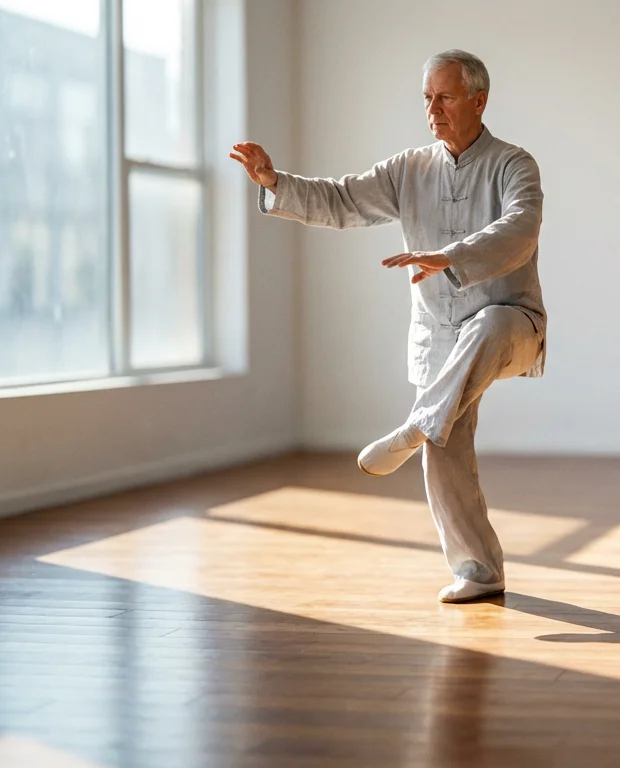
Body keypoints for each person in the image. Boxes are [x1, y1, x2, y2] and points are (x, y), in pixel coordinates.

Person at [229, 49, 545, 604]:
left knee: (491, 323)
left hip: (511, 324)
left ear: (479, 99)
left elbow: (521, 228)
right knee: (444, 442)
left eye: (445, 97)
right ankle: (479, 570)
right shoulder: (409, 168)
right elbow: (343, 200)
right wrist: (274, 179)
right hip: (439, 335)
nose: (434, 110)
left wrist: (452, 256)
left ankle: (414, 426)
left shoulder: (515, 164)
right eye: (427, 99)